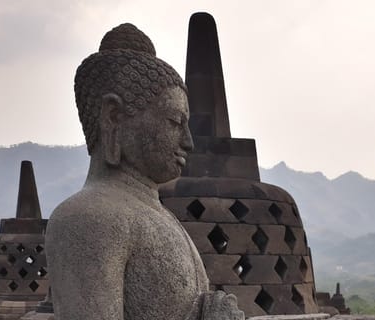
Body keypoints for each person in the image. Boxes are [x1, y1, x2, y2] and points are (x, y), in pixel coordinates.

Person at [46, 23, 243, 320]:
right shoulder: (87, 219)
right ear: (114, 116)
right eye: (175, 122)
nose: (188, 142)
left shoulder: (159, 215)